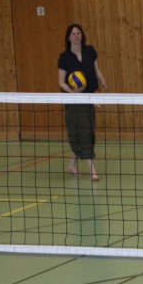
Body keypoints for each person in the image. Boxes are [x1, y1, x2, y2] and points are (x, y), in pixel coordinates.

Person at [57, 23, 109, 181]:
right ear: (68, 37)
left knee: (88, 131)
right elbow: (61, 82)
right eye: (73, 34)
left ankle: (71, 164)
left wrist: (102, 81)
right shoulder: (64, 57)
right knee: (85, 132)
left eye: (78, 33)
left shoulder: (89, 51)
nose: (76, 36)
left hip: (89, 98)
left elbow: (96, 70)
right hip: (73, 101)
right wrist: (73, 92)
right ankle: (92, 170)